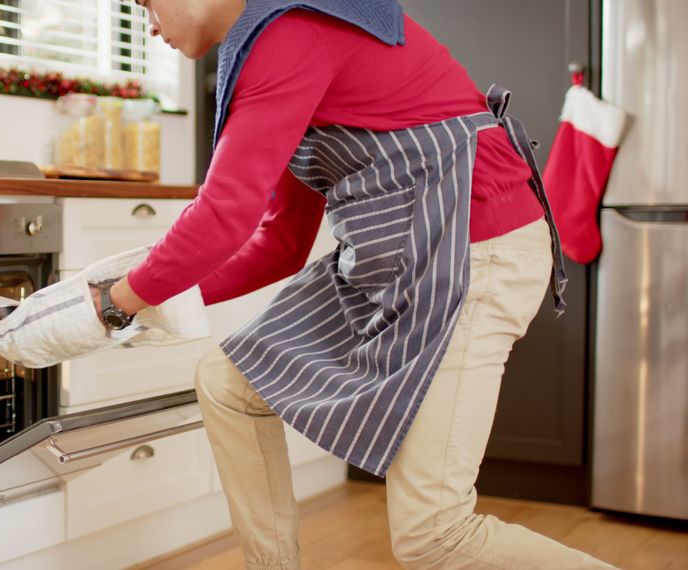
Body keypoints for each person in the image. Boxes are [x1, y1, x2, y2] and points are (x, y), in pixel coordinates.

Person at [90, 1, 616, 568]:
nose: (147, 23)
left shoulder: (293, 29)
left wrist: (115, 303)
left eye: (145, 2)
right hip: (402, 255)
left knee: (434, 537)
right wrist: (152, 297)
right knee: (229, 385)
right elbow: (280, 242)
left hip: (472, 253)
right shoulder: (270, 44)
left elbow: (224, 214)